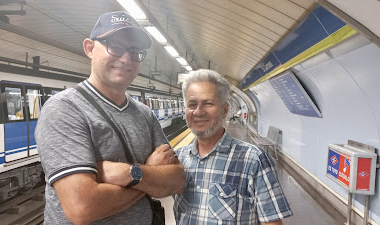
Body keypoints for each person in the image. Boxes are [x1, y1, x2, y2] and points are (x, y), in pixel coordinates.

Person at [35, 11, 185, 225]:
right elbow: (82, 208)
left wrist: (127, 173)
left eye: (135, 51)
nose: (126, 59)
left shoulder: (144, 113)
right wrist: (148, 173)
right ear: (89, 48)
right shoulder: (64, 109)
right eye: (115, 46)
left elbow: (177, 180)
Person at [173, 69, 292, 225]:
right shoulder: (177, 159)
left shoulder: (254, 160)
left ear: (225, 110)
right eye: (192, 104)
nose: (198, 112)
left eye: (208, 103)